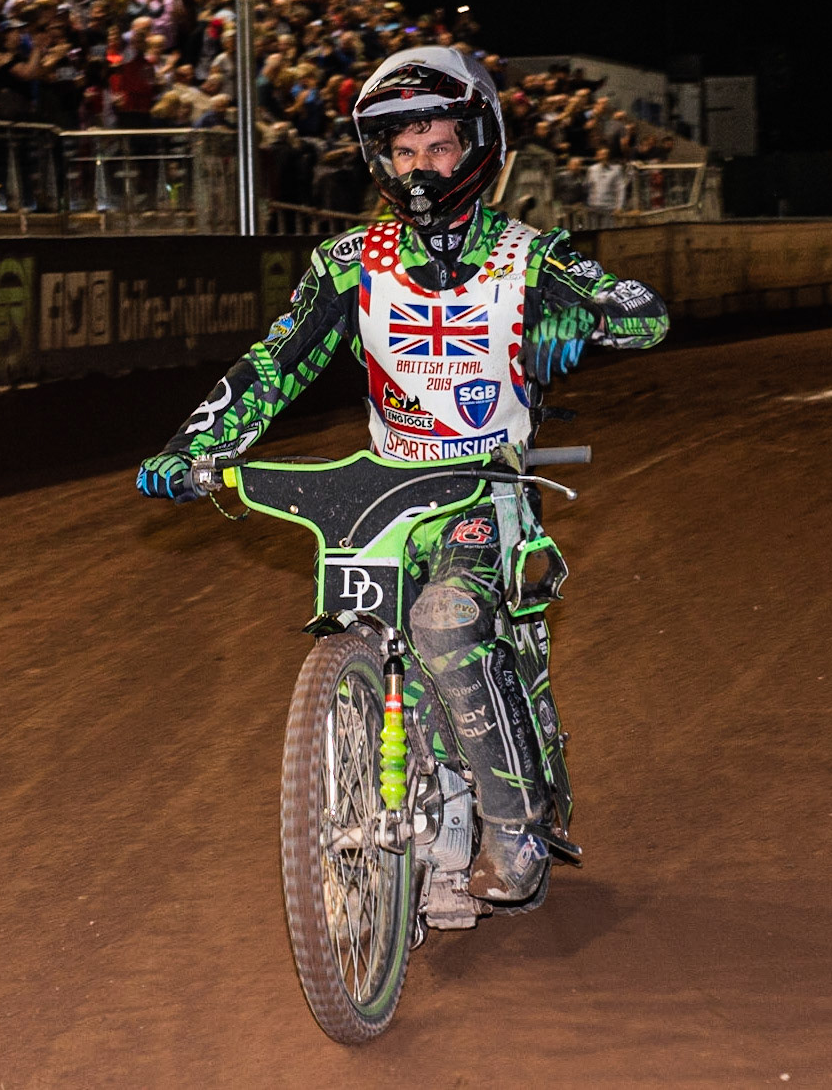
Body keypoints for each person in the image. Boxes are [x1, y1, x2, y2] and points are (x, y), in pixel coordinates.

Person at [136, 47, 668, 901]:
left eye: (438, 147)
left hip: (487, 487)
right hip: (382, 488)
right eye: (404, 149)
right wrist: (192, 443)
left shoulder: (530, 255)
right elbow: (273, 364)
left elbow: (645, 315)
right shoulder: (349, 260)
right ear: (380, 159)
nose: (420, 167)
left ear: (476, 148)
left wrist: (586, 319)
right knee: (370, 627)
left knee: (447, 620)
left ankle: (515, 831)